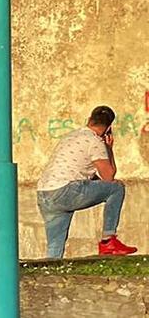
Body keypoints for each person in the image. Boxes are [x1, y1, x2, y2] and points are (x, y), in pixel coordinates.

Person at [37, 105, 137, 258]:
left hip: (45, 193)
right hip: (65, 190)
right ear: (108, 128)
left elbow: (91, 177)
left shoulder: (71, 136)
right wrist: (109, 148)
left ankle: (50, 272)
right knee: (117, 188)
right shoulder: (95, 141)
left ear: (89, 120)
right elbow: (109, 177)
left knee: (54, 248)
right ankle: (108, 240)